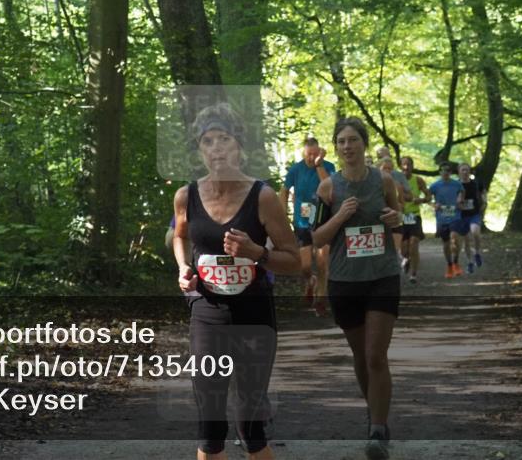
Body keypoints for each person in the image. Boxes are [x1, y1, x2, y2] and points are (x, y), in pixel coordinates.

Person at [172, 102, 300, 460]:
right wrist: (184, 266)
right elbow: (181, 235)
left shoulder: (263, 196)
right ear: (199, 149)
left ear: (239, 145)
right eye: (208, 141)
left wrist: (256, 252)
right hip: (207, 313)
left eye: (224, 139)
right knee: (210, 428)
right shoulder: (187, 195)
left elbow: (293, 260)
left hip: (254, 315)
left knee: (250, 427)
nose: (217, 148)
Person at [312, 117, 402, 460]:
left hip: (382, 275)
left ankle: (377, 429)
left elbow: (398, 217)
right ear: (336, 148)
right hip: (345, 280)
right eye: (341, 142)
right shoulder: (328, 188)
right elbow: (317, 237)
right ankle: (374, 411)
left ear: (364, 143)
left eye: (353, 140)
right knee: (361, 356)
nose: (347, 147)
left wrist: (395, 220)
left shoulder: (384, 180)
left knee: (376, 355)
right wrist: (340, 216)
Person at [280, 137, 335, 311]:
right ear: (304, 153)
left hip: (323, 220)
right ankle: (310, 280)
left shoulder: (328, 166)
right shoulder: (296, 169)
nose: (311, 157)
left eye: (315, 154)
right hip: (302, 222)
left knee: (322, 262)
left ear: (320, 152)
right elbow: (284, 191)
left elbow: (331, 188)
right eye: (309, 154)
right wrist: (282, 216)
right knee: (304, 266)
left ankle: (321, 298)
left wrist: (319, 166)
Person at [427, 162, 464, 278]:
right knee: (446, 243)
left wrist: (459, 200)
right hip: (442, 218)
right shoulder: (435, 186)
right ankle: (449, 265)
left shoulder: (457, 184)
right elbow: (427, 198)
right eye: (443, 170)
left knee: (454, 237)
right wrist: (434, 205)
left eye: (448, 170)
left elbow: (462, 192)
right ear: (440, 172)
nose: (445, 172)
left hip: (455, 216)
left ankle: (456, 262)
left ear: (451, 172)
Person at [399, 157, 430, 284]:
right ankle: (406, 258)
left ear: (412, 166)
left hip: (414, 216)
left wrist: (422, 200)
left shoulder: (418, 180)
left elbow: (428, 196)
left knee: (414, 243)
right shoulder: (395, 180)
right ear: (401, 166)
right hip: (401, 217)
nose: (406, 167)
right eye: (404, 165)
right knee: (404, 249)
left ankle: (413, 274)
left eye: (408, 164)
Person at [457, 163, 486, 273]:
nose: (465, 172)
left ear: (470, 172)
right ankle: (470, 262)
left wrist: (484, 201)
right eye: (463, 170)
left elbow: (483, 191)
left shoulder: (475, 183)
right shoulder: (456, 185)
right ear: (459, 172)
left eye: (467, 170)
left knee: (475, 233)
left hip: (474, 213)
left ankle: (477, 253)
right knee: (466, 241)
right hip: (462, 216)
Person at [378, 158, 406, 262]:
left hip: (394, 222)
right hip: (378, 223)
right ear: (378, 168)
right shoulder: (371, 185)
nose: (387, 171)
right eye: (385, 168)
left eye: (390, 169)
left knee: (393, 253)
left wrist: (397, 206)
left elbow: (403, 205)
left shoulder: (397, 185)